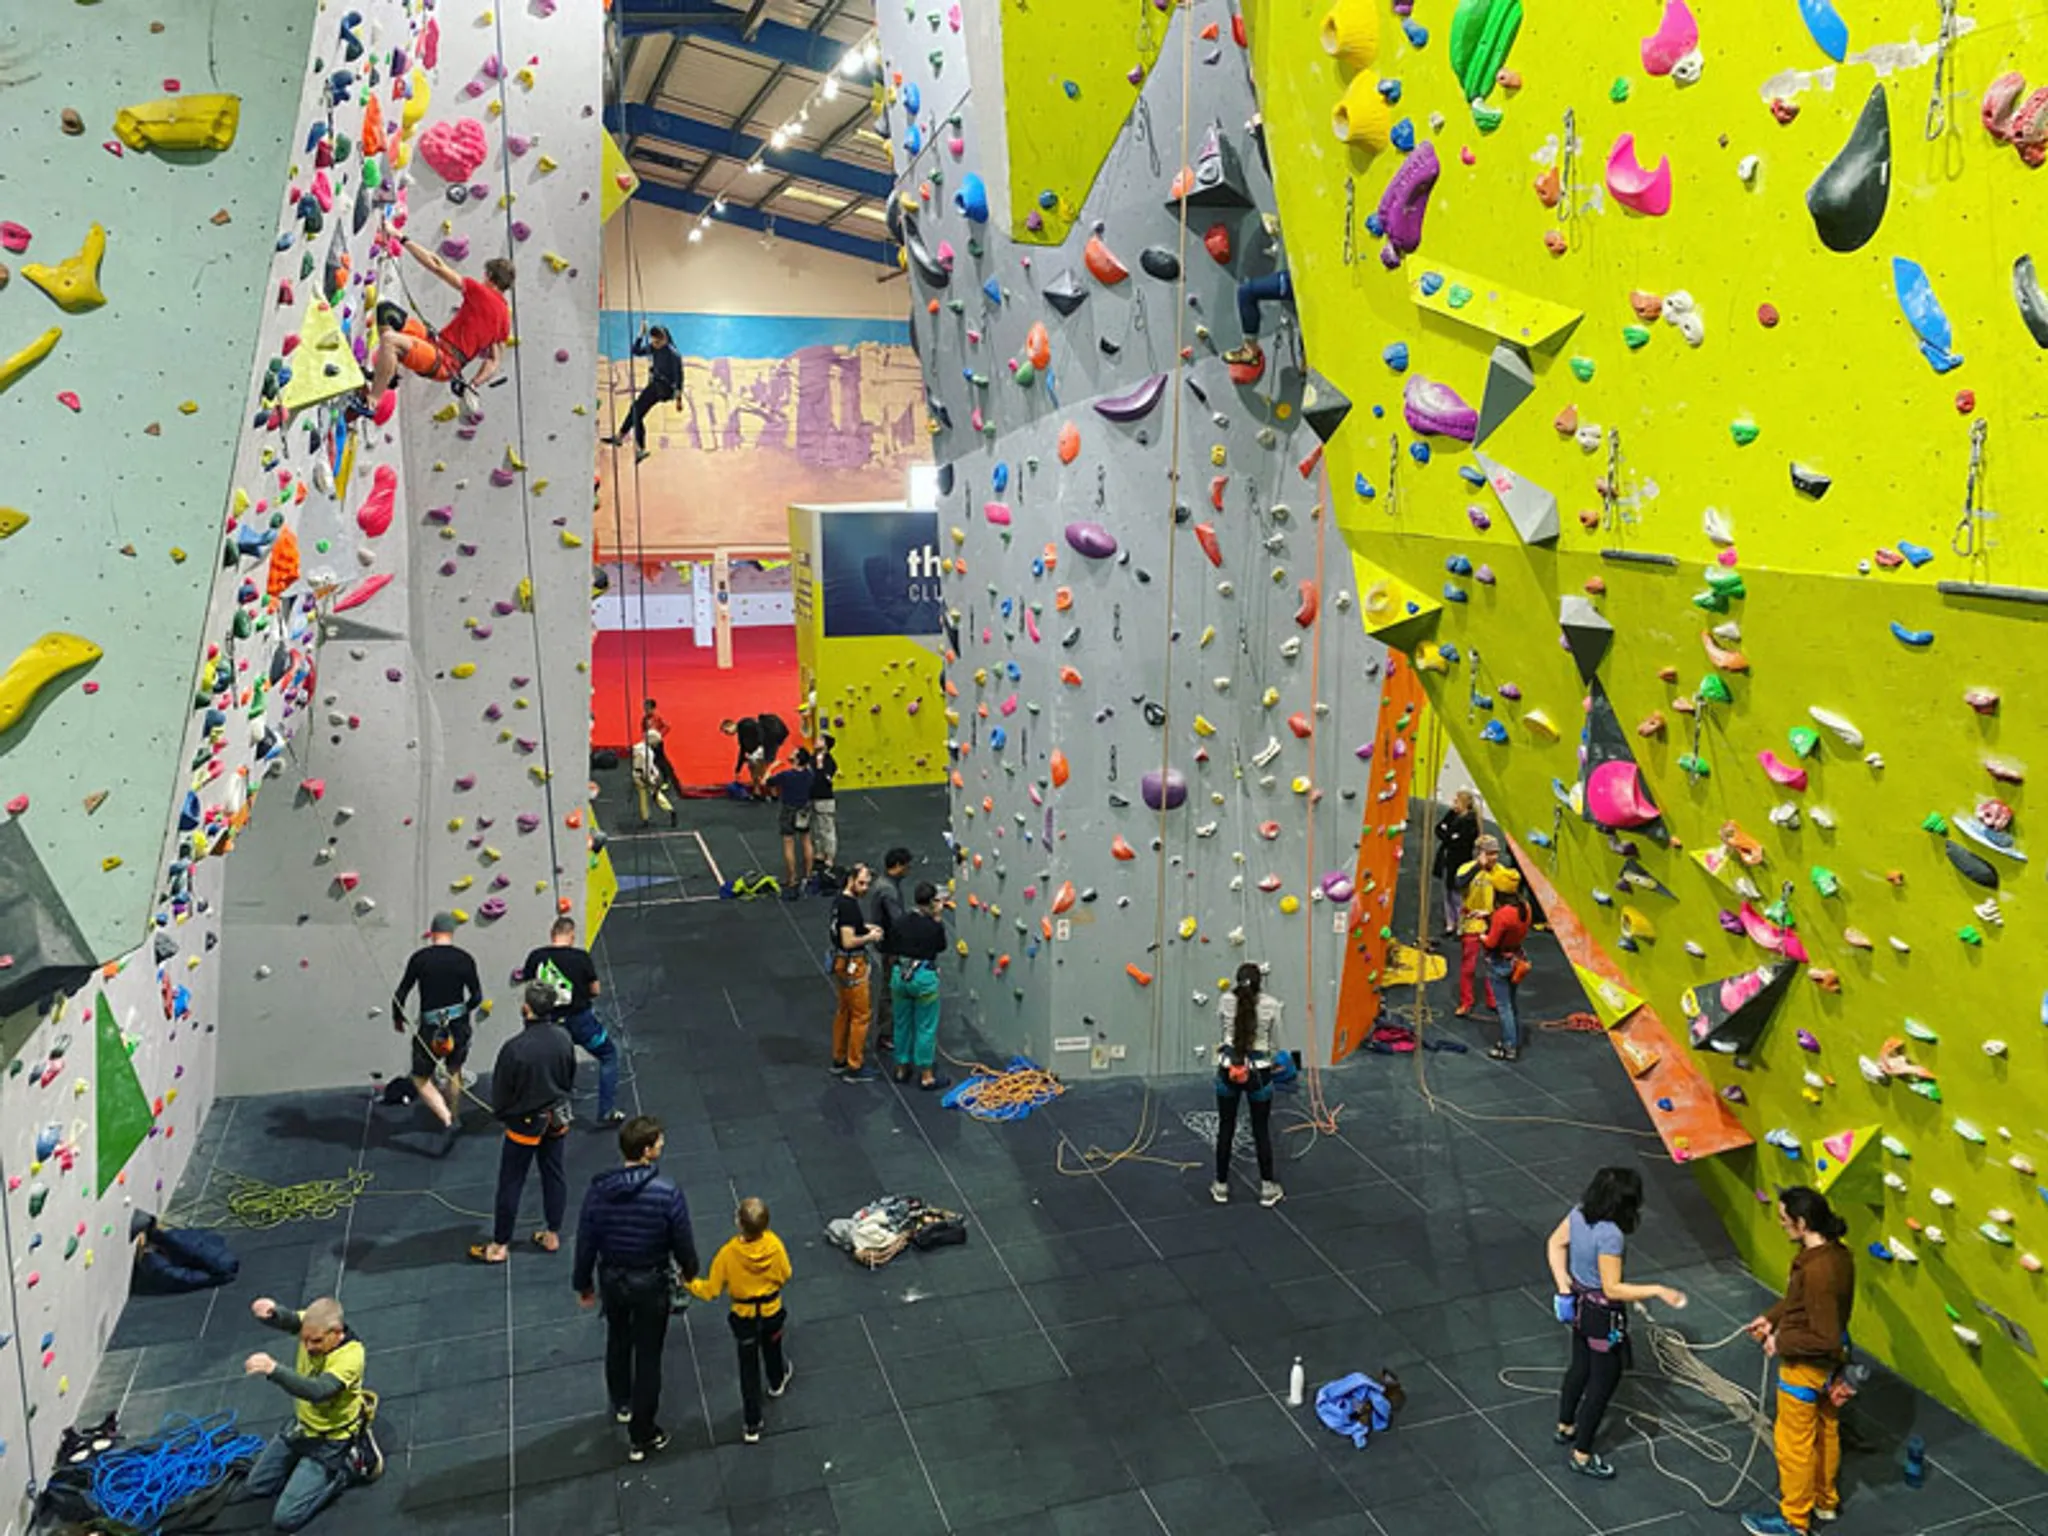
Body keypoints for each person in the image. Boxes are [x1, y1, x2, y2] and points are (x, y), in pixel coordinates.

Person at [1545, 1168, 1688, 1481]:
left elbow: (1555, 1244)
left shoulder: (1579, 1214)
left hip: (1580, 1308)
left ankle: (1565, 1425)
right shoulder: (1611, 1235)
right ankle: (1582, 1454)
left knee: (1579, 1366)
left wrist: (1564, 1286)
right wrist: (1658, 1290)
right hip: (1603, 1316)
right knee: (1603, 1382)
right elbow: (1611, 1288)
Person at [573, 1114, 699, 1464]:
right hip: (651, 1283)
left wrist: (583, 1283)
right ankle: (643, 1433)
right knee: (648, 1354)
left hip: (613, 1280)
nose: (662, 1145)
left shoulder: (598, 1191)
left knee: (618, 1338)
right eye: (659, 1142)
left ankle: (622, 1402)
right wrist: (690, 1271)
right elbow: (682, 1240)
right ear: (646, 1151)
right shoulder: (667, 1192)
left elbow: (586, 1241)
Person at [1741, 1188, 1857, 1536]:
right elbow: (1801, 1301)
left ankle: (1794, 1520)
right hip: (1832, 1365)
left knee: (1794, 1444)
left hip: (1806, 1366)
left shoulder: (1816, 1270)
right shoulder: (1837, 1255)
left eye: (1784, 1219)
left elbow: (1823, 1336)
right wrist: (1772, 1317)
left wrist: (1781, 1340)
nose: (1781, 1225)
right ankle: (1825, 1501)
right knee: (1826, 1431)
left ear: (1802, 1222)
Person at [239, 1295, 375, 1531]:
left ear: (336, 1333)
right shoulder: (314, 1325)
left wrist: (274, 1370)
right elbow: (292, 1320)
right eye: (305, 1341)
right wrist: (273, 1312)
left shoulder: (351, 1357)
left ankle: (348, 1467)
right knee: (256, 1486)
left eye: (316, 1341)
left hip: (331, 1439)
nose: (309, 1347)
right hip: (302, 1427)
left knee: (286, 1518)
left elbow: (319, 1391)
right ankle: (305, 1475)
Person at [470, 983, 577, 1264]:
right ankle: (553, 1234)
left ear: (526, 1009)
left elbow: (502, 1094)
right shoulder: (564, 1038)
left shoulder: (515, 1049)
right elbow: (568, 1078)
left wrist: (504, 1115)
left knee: (511, 1181)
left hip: (525, 1124)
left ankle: (500, 1245)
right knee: (554, 1174)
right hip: (557, 1116)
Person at [686, 1196, 793, 1445]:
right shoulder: (775, 1245)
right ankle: (777, 1381)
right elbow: (786, 1273)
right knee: (773, 1346)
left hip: (744, 1318)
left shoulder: (728, 1254)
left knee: (748, 1369)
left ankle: (752, 1423)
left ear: (738, 1223)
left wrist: (689, 1283)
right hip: (771, 1311)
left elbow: (711, 1290)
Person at [365, 237, 512, 412]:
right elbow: (494, 361)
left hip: (443, 361)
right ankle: (387, 375)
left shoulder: (481, 292)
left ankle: (372, 401)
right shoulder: (505, 321)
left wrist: (401, 237)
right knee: (387, 312)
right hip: (436, 345)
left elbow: (437, 265)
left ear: (489, 276)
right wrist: (473, 384)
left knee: (390, 340)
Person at [520, 915, 621, 1126]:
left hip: (549, 1025)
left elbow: (531, 991)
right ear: (572, 936)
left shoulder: (535, 956)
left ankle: (555, 1111)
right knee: (608, 1055)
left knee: (554, 1063)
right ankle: (606, 1111)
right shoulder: (580, 957)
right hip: (581, 1023)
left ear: (552, 933)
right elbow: (595, 990)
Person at [390, 912, 483, 1139]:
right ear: (452, 932)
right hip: (458, 1026)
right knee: (454, 1072)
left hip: (430, 1028)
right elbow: (477, 996)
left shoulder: (420, 959)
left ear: (431, 932)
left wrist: (398, 1018)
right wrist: (462, 1013)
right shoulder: (465, 959)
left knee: (420, 1077)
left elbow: (400, 994)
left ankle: (444, 1116)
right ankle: (455, 1114)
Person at [1210, 963, 1285, 1207]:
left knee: (1226, 1127)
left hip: (1228, 1068)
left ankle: (1220, 1185)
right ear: (1259, 982)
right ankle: (1267, 1187)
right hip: (1259, 1073)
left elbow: (1222, 1033)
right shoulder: (1272, 1005)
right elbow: (1277, 1044)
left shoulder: (1224, 1000)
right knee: (1261, 1129)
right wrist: (1272, 1061)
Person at [888, 881, 953, 1089]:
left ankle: (901, 1068)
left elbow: (889, 944)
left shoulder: (900, 921)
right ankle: (926, 1075)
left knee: (901, 1023)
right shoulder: (932, 926)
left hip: (900, 976)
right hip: (924, 978)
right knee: (925, 1026)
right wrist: (938, 919)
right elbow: (941, 946)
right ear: (933, 902)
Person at [828, 864, 885, 1081]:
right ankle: (855, 1065)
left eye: (867, 884)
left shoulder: (840, 902)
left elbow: (848, 927)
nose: (865, 888)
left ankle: (839, 1057)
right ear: (850, 879)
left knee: (844, 1010)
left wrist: (865, 927)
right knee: (861, 1015)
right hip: (853, 964)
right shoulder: (850, 907)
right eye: (861, 883)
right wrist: (870, 937)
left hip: (839, 962)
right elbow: (849, 940)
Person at [1455, 834, 1521, 1017]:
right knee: (1468, 966)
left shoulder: (1500, 871)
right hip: (1471, 923)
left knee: (1493, 965)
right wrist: (1478, 865)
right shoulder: (1467, 869)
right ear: (1480, 853)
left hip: (1493, 924)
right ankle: (1466, 1001)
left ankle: (1493, 999)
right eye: (1490, 853)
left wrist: (1492, 913)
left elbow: (1512, 890)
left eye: (1496, 853)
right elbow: (1459, 883)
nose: (1494, 858)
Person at [601, 326, 683, 462]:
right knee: (636, 412)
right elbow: (636, 351)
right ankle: (637, 448)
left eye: (658, 342)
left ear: (665, 339)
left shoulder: (672, 353)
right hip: (655, 386)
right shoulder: (653, 348)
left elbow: (679, 377)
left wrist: (678, 400)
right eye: (654, 342)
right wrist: (640, 334)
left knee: (636, 409)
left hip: (664, 388)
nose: (655, 345)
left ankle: (622, 437)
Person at [867, 848, 914, 1060]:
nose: (908, 870)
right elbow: (897, 921)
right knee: (889, 990)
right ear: (897, 865)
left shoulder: (885, 885)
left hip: (886, 944)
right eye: (906, 866)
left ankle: (890, 1029)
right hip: (891, 947)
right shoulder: (888, 891)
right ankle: (886, 1033)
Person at [1484, 886, 1532, 1062]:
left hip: (1500, 962)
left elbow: (1491, 942)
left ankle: (1509, 1046)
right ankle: (1512, 1039)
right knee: (1511, 1003)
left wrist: (1483, 937)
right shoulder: (1524, 907)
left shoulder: (1503, 915)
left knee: (1504, 1007)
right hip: (1517, 958)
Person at [766, 748, 816, 899]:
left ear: (797, 759)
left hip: (788, 810)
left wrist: (771, 767)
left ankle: (792, 878)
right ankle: (808, 875)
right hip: (804, 809)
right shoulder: (809, 774)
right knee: (806, 840)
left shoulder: (786, 775)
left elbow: (766, 781)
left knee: (789, 843)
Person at [1434, 788, 1482, 936]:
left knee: (1457, 894)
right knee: (1447, 892)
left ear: (1464, 803)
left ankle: (1461, 924)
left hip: (1460, 861)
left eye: (1456, 801)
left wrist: (1448, 834)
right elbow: (1439, 829)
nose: (1453, 804)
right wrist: (1450, 835)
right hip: (1448, 859)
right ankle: (1450, 924)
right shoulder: (1452, 814)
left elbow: (1461, 840)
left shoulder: (1470, 821)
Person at [808, 733, 841, 873]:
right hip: (812, 797)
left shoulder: (830, 762)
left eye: (820, 740)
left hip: (825, 798)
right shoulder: (811, 759)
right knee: (815, 828)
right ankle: (819, 853)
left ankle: (830, 856)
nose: (816, 741)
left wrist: (821, 767)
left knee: (827, 828)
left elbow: (826, 780)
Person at [631, 728, 676, 828]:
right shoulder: (648, 754)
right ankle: (670, 810)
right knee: (655, 794)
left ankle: (645, 818)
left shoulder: (637, 747)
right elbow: (647, 769)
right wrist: (652, 780)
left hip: (637, 775)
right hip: (644, 776)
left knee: (643, 798)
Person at [721, 716, 768, 798]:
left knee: (760, 772)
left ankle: (768, 793)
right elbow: (742, 750)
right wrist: (738, 768)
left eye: (726, 731)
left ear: (729, 726)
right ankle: (758, 792)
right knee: (755, 771)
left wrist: (760, 746)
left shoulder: (745, 724)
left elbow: (759, 731)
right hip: (756, 751)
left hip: (759, 749)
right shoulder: (742, 732)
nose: (727, 734)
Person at [639, 698, 678, 791]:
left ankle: (666, 780)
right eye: (644, 708)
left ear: (653, 708)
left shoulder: (657, 717)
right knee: (651, 760)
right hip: (649, 743)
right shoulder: (644, 719)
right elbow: (643, 730)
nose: (646, 710)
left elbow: (666, 727)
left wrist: (659, 735)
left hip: (657, 744)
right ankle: (651, 777)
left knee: (660, 761)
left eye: (647, 708)